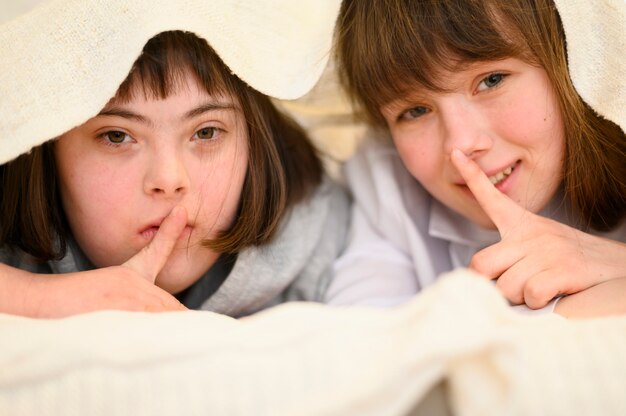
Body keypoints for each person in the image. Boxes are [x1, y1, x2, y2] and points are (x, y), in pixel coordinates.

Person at [0, 23, 349, 317]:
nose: (168, 180)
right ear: (45, 148)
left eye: (206, 132)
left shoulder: (330, 242)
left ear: (255, 140)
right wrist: (44, 298)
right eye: (117, 136)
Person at [326, 0, 626, 317]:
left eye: (492, 80)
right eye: (416, 112)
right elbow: (358, 339)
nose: (461, 144)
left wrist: (615, 259)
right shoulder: (389, 179)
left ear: (566, 59)